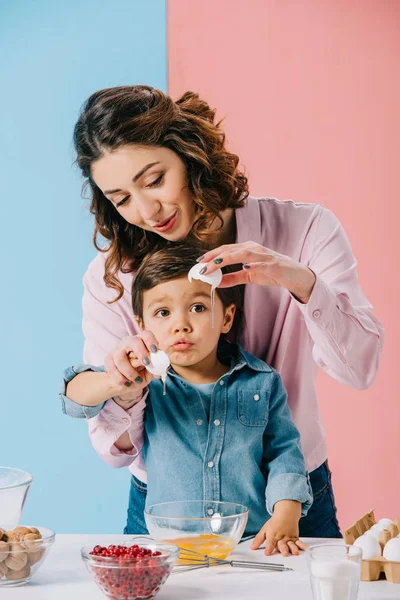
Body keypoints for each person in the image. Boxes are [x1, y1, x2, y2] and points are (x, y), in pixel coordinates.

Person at [69, 84, 384, 539]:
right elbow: (113, 448)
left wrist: (300, 283)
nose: (145, 210)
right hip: (166, 505)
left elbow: (360, 369)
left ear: (190, 156)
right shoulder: (113, 277)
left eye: (154, 180)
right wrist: (124, 388)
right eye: (121, 199)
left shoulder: (305, 230)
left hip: (292, 501)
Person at [62, 242, 313, 557]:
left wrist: (286, 513)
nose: (180, 324)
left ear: (226, 318)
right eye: (163, 312)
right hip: (168, 549)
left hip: (249, 545)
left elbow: (284, 454)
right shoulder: (145, 384)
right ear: (142, 324)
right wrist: (117, 381)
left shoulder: (262, 382)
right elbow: (74, 398)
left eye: (198, 307)